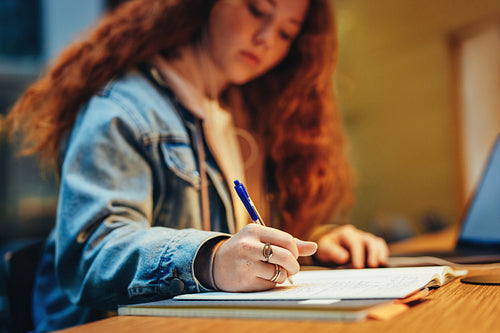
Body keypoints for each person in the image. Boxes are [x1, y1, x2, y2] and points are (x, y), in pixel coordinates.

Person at [6, 0, 389, 331]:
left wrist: (314, 242)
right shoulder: (123, 107)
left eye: (287, 33)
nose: (266, 38)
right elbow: (93, 255)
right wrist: (211, 258)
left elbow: (244, 234)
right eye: (257, 10)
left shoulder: (240, 115)